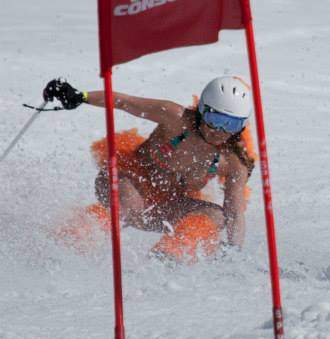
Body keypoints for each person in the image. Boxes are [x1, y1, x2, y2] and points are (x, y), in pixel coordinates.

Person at [43, 75, 256, 256]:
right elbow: (124, 102)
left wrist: (234, 253)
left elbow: (235, 213)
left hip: (165, 205)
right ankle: (70, 240)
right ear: (202, 110)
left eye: (231, 124)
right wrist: (81, 96)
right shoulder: (176, 118)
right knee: (129, 204)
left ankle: (169, 256)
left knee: (216, 215)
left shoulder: (234, 162)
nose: (219, 130)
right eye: (214, 119)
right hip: (128, 183)